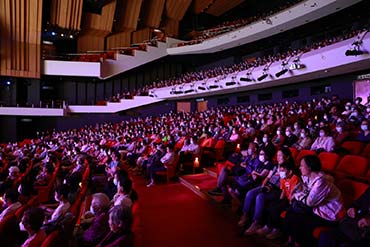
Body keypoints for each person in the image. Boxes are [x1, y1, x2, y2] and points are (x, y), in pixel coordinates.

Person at [284, 155, 343, 247]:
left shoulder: (321, 182)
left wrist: (296, 195)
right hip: (316, 209)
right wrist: (299, 192)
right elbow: (305, 191)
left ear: (310, 167)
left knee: (301, 220)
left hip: (328, 214)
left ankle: (298, 244)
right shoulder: (308, 178)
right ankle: (291, 241)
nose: (299, 168)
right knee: (290, 212)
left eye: (302, 165)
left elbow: (309, 202)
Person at [256, 161, 301, 239]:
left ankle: (277, 230)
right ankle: (268, 226)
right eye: (280, 170)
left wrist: (285, 203)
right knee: (273, 204)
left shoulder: (295, 178)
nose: (281, 172)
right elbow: (283, 191)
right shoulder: (283, 178)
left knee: (277, 208)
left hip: (293, 200)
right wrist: (279, 200)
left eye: (283, 170)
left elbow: (293, 193)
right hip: (286, 198)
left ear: (290, 171)